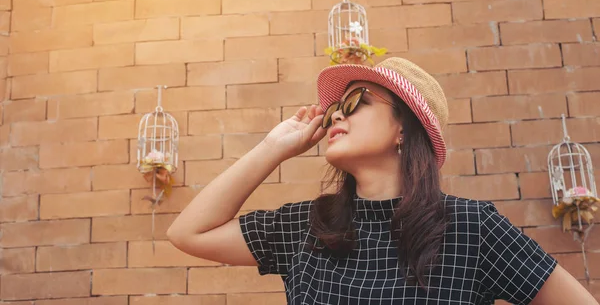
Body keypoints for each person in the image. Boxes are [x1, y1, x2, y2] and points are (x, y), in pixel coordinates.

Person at [167, 57, 598, 304]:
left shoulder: (471, 228)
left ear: (404, 129)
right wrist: (273, 147)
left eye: (356, 102)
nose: (337, 113)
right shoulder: (308, 227)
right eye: (338, 104)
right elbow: (188, 232)